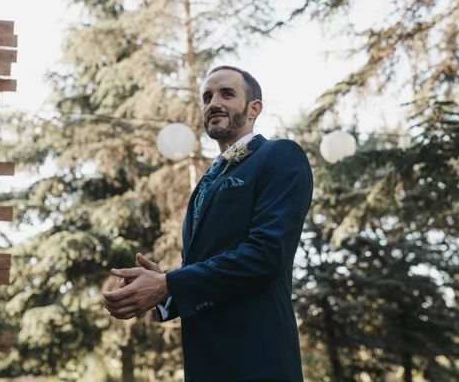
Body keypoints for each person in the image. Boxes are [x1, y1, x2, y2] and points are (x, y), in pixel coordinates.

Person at [103, 66, 313, 382]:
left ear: (254, 108)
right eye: (207, 97)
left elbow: (267, 255)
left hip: (258, 361)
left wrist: (169, 283)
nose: (213, 103)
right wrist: (164, 290)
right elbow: (209, 269)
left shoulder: (279, 155)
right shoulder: (205, 184)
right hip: (206, 364)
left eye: (227, 94)